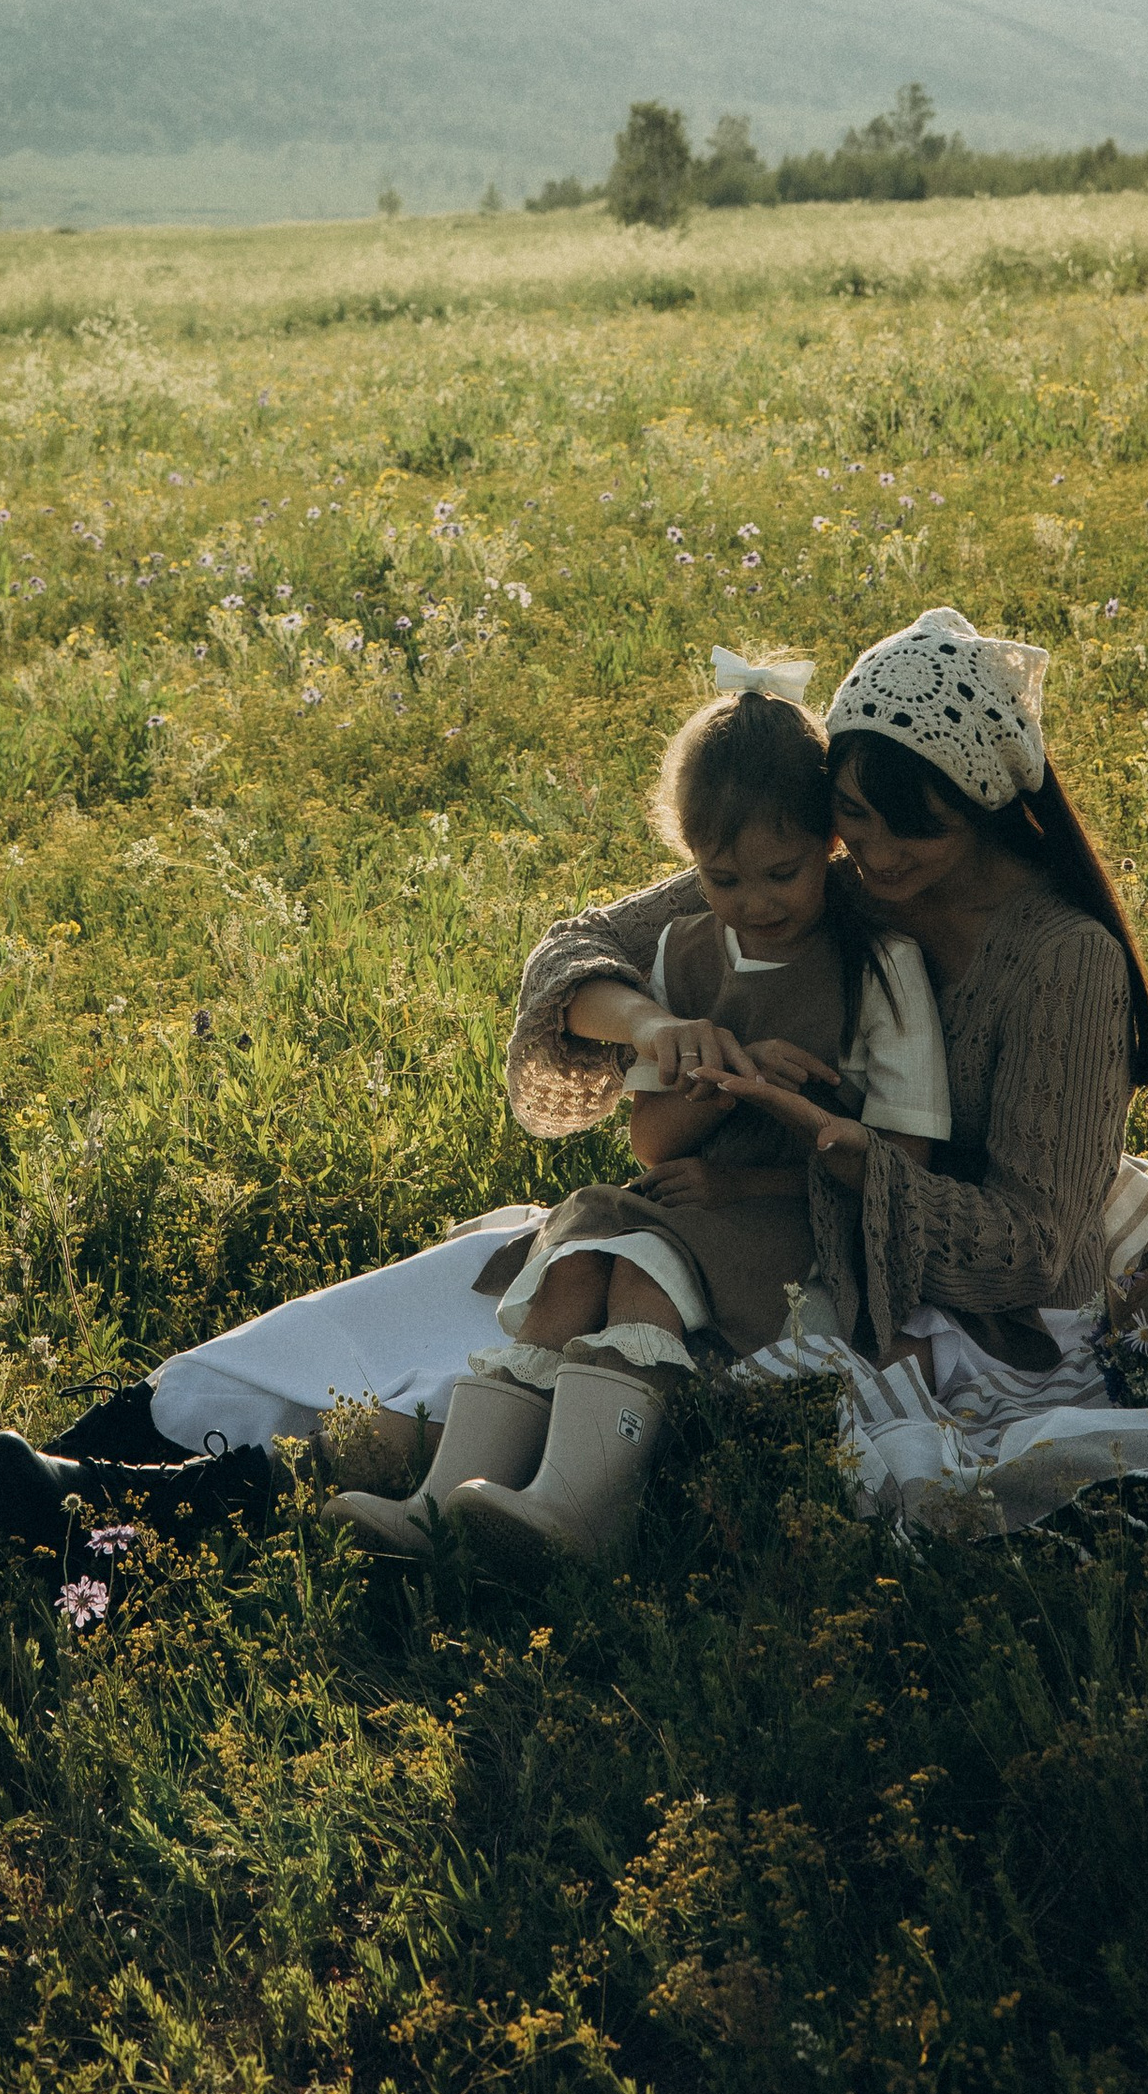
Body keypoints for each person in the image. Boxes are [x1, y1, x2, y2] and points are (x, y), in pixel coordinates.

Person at [499, 605, 1148, 1504]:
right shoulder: (818, 876)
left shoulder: (1064, 960)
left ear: (983, 808)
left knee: (701, 1390)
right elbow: (577, 951)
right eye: (852, 815)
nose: (876, 852)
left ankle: (570, 1500)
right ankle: (505, 1486)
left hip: (971, 1293)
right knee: (591, 1287)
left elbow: (1034, 1251)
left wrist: (818, 1141)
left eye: (912, 826)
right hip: (795, 1226)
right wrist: (655, 1029)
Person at [324, 661, 948, 1558]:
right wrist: (705, 1067)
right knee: (580, 1262)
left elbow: (905, 1164)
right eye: (723, 878)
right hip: (689, 1208)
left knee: (642, 1273)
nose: (755, 903)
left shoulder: (879, 966)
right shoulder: (684, 952)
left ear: (830, 845)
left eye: (782, 872)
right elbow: (652, 1141)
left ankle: (586, 1507)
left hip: (801, 1221)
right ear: (690, 862)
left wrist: (757, 1135)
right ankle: (441, 1504)